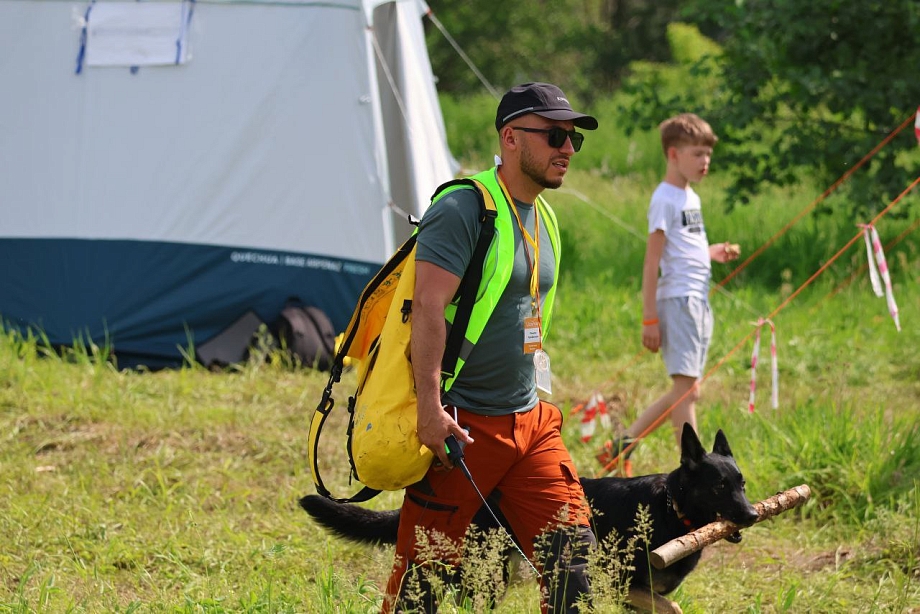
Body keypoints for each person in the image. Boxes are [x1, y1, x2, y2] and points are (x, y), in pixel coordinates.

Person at [383, 83, 598, 613]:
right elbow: (427, 310)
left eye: (572, 139)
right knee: (424, 583)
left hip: (531, 422)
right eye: (554, 135)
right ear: (511, 137)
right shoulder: (463, 208)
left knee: (573, 561)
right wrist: (430, 411)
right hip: (463, 424)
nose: (567, 149)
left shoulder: (543, 218)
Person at [600, 113, 740, 476]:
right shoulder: (664, 199)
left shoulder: (690, 197)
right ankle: (695, 473)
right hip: (678, 301)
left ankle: (619, 447)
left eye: (708, 154)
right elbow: (652, 262)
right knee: (685, 392)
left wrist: (713, 252)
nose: (705, 161)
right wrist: (649, 318)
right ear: (674, 154)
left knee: (687, 390)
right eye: (698, 154)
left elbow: (686, 248)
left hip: (697, 299)